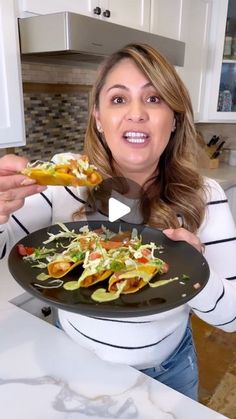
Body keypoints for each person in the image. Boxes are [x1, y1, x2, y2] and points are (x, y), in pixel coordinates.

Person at [0, 43, 236, 401]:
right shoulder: (67, 178)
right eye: (119, 99)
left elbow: (232, 318)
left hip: (168, 373)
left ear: (173, 119)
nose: (136, 113)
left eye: (154, 99)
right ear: (97, 117)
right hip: (70, 362)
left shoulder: (205, 195)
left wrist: (199, 272)